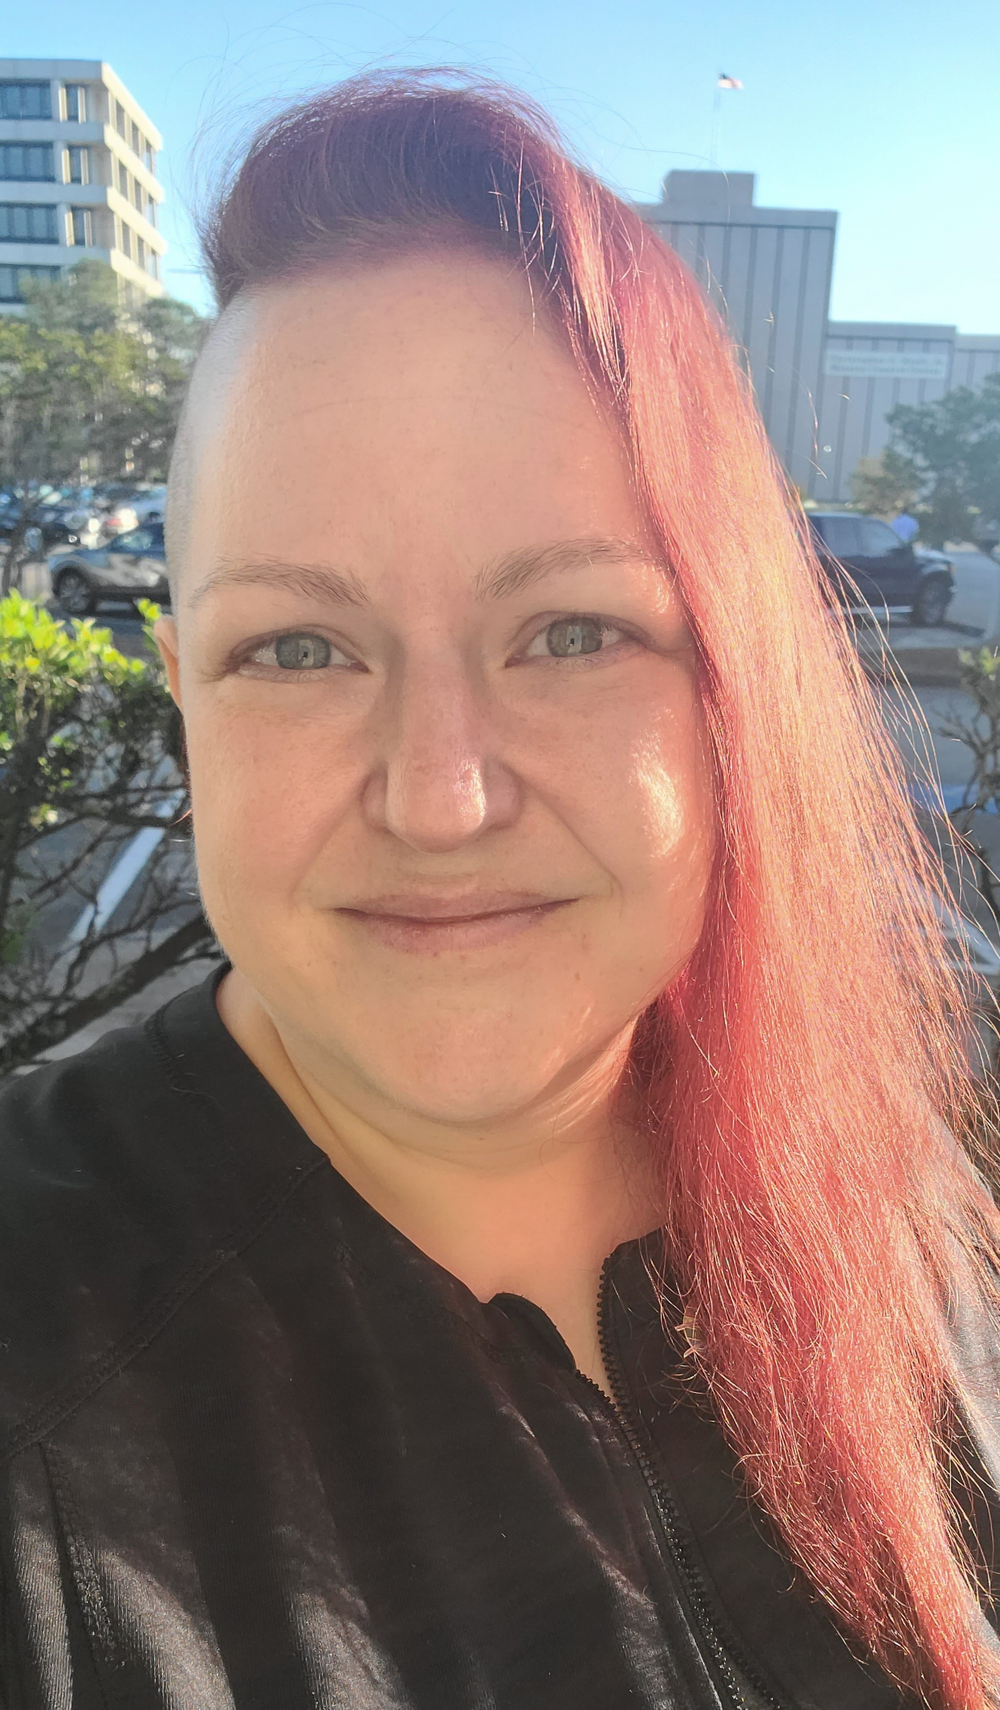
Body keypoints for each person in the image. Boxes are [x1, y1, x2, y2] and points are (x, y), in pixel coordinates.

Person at [1, 72, 1000, 1710]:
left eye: (572, 631)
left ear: (727, 680)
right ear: (186, 689)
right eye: (299, 649)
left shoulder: (897, 1209)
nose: (441, 796)